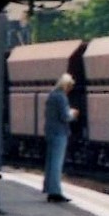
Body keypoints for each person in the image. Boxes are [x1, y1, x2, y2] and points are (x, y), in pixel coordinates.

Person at [43, 72, 78, 203]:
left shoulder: (52, 95)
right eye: (70, 87)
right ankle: (55, 192)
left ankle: (49, 188)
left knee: (50, 163)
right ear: (66, 85)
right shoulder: (61, 97)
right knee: (56, 164)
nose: (70, 90)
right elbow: (65, 116)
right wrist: (73, 114)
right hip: (59, 133)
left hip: (50, 131)